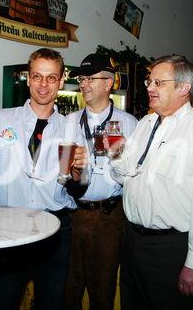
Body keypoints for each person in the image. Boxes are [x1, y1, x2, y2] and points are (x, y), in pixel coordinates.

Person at [0, 48, 89, 310]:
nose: (43, 85)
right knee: (0, 300)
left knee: (50, 303)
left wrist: (79, 173)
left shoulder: (72, 127)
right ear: (28, 78)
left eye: (51, 78)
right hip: (7, 226)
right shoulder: (2, 119)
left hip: (56, 226)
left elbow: (78, 186)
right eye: (37, 76)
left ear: (62, 81)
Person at [109, 55, 193, 310]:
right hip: (133, 242)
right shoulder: (144, 124)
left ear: (183, 88)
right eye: (150, 81)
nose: (149, 87)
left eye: (158, 82)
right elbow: (122, 175)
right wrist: (114, 153)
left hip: (171, 250)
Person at [62, 53, 138, 310]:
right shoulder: (68, 122)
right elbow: (61, 174)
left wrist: (121, 158)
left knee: (103, 292)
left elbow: (136, 179)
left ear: (109, 83)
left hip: (110, 218)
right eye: (82, 79)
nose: (83, 84)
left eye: (90, 78)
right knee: (68, 290)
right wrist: (71, 170)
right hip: (73, 215)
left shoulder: (130, 124)